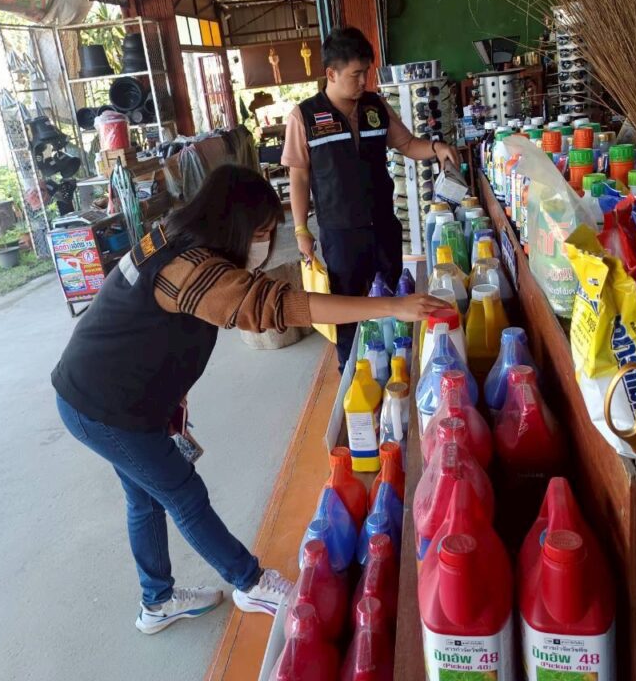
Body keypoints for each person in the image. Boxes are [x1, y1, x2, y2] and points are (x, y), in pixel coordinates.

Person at [52, 165, 447, 635]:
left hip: (113, 389)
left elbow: (149, 328)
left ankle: (156, 601)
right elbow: (276, 305)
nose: (264, 244)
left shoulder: (177, 233)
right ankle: (251, 582)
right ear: (231, 223)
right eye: (260, 233)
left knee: (146, 497)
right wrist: (391, 306)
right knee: (181, 493)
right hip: (103, 404)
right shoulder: (190, 268)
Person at [283, 26, 461, 369]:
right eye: (356, 74)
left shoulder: (374, 106)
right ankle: (352, 372)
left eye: (366, 71)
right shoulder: (304, 116)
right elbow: (299, 176)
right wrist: (301, 230)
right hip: (340, 234)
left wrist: (437, 148)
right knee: (348, 309)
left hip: (383, 227)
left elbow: (407, 144)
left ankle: (397, 368)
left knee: (393, 300)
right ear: (331, 74)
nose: (364, 80)